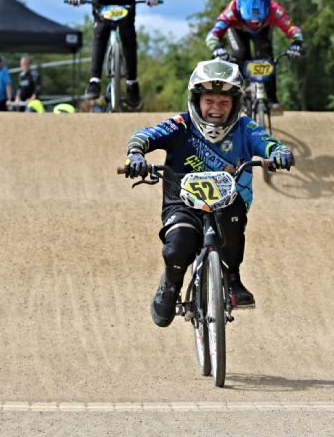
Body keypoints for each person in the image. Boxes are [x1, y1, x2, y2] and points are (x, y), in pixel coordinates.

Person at [123, 58, 295, 327]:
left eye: (224, 102)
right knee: (180, 245)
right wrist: (135, 155)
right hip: (182, 201)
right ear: (196, 100)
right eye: (210, 101)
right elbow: (144, 136)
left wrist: (280, 154)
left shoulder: (245, 127)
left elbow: (270, 144)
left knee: (233, 227)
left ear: (235, 103)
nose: (216, 109)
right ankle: (170, 284)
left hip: (228, 200)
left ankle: (233, 277)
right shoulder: (180, 124)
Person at [205, 0, 304, 115]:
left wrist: (297, 43)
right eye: (249, 21)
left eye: (258, 21)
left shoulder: (274, 10)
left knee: (266, 56)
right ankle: (237, 93)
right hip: (237, 30)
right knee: (240, 54)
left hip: (264, 31)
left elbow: (292, 29)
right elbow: (213, 34)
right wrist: (217, 48)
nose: (253, 24)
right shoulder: (231, 11)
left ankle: (272, 99)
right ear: (239, 9)